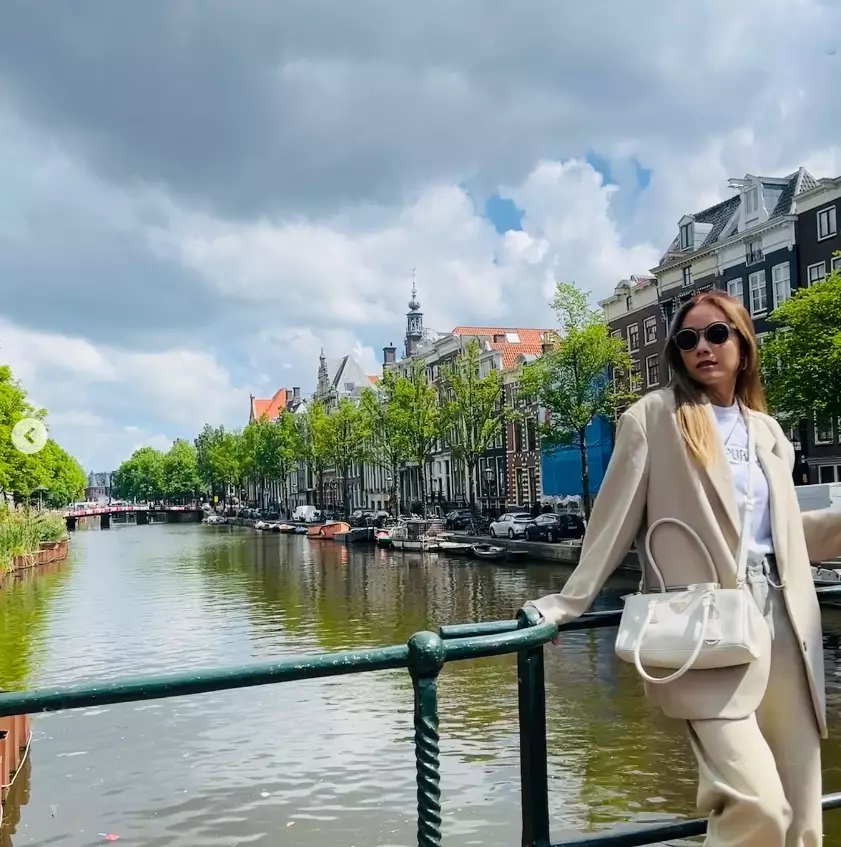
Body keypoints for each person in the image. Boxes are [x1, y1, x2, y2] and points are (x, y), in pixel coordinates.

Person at [525, 290, 841, 847]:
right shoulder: (654, 418)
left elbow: (783, 533)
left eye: (717, 334)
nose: (703, 347)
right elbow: (612, 522)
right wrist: (564, 605)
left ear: (743, 345)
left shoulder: (768, 432)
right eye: (688, 339)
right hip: (709, 625)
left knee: (802, 816)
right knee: (756, 806)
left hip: (788, 619)